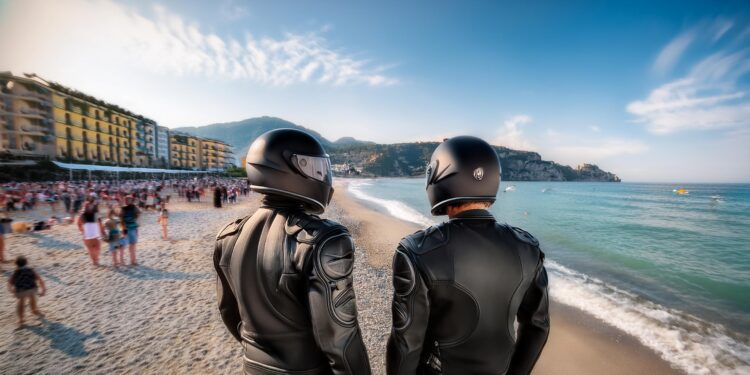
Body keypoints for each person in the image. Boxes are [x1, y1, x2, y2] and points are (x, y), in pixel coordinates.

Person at [386, 136, 550, 375]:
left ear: (439, 177)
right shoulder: (527, 248)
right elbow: (538, 327)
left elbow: (406, 344)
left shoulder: (416, 251)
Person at [214, 129, 371, 374]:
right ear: (290, 169)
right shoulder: (324, 240)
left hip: (253, 367)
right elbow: (339, 338)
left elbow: (229, 312)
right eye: (314, 168)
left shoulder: (227, 236)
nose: (323, 175)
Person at [8, 256, 46, 327]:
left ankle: (21, 319)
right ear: (26, 262)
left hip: (21, 290)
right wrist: (43, 289)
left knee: (21, 303)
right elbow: (39, 279)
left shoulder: (16, 272)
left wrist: (11, 290)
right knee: (32, 299)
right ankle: (34, 310)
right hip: (31, 288)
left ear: (16, 264)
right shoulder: (31, 270)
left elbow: (10, 282)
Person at [77, 199, 104, 266]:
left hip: (89, 234)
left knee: (92, 248)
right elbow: (100, 223)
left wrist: (82, 230)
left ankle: (95, 260)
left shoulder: (83, 215)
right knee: (95, 248)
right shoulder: (93, 214)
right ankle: (95, 260)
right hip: (93, 234)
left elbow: (78, 224)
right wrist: (102, 231)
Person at [120, 196, 140, 266]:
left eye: (130, 200)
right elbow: (122, 220)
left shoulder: (133, 208)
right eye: (127, 200)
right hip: (128, 229)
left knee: (131, 245)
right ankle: (125, 261)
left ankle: (133, 260)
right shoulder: (124, 209)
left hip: (132, 228)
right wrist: (123, 229)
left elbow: (138, 215)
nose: (128, 201)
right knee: (125, 245)